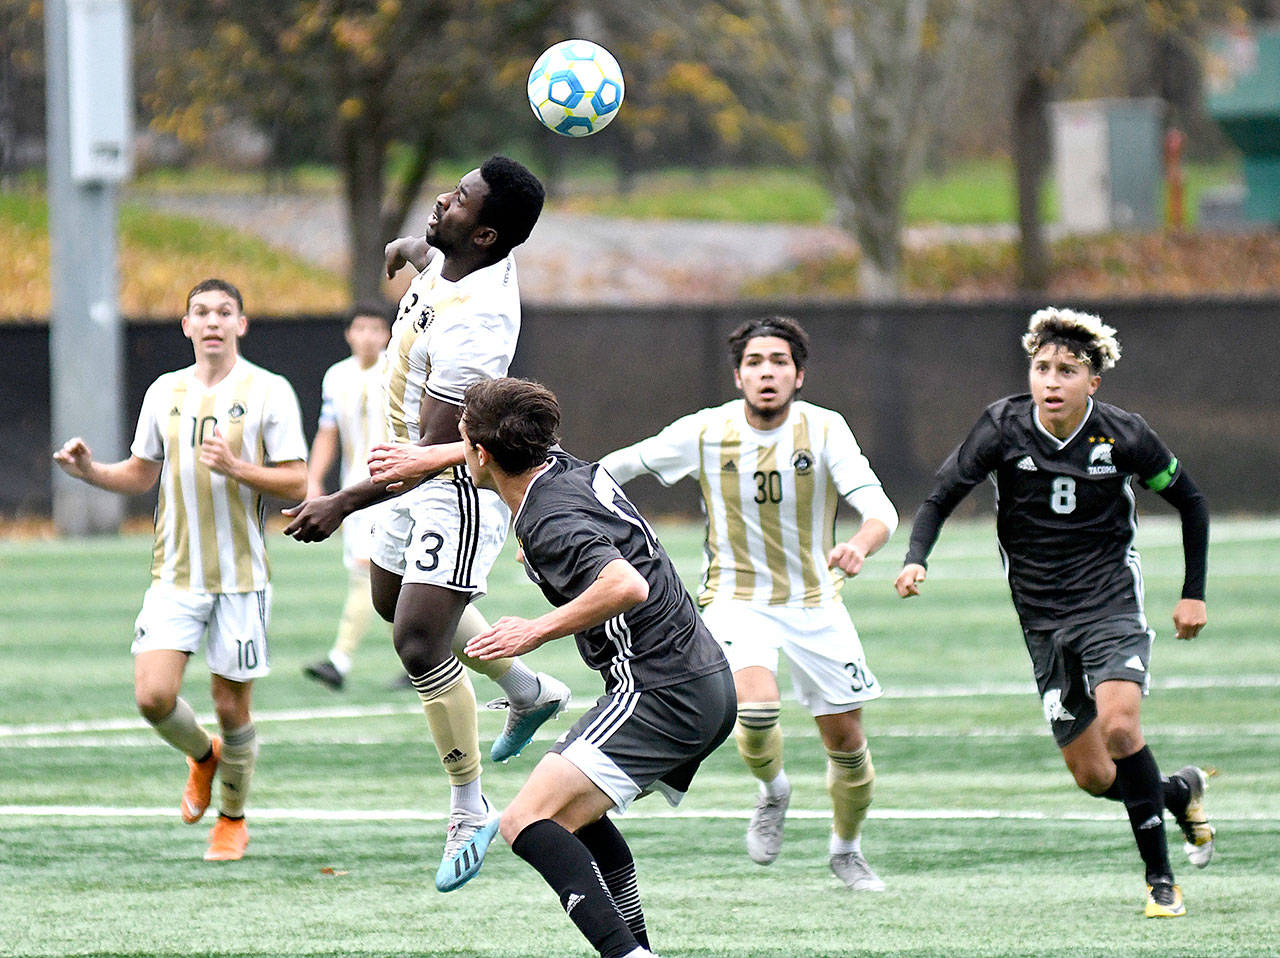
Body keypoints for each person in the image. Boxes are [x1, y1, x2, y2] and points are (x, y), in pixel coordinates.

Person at [283, 156, 571, 892]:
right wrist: (407, 248)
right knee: (392, 603)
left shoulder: (478, 323)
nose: (444, 198)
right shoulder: (459, 254)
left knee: (416, 640)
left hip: (455, 485)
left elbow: (430, 457)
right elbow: (430, 252)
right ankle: (529, 690)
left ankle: (469, 806)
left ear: (486, 235)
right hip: (406, 470)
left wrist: (339, 503)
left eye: (461, 198)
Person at [893, 307, 1214, 919]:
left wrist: (1192, 592)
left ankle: (1161, 881)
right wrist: (916, 559)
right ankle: (1177, 792)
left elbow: (1191, 502)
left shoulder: (1124, 435)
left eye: (1068, 370)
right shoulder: (1002, 427)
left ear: (1093, 382)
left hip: (1109, 602)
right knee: (1094, 776)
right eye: (1042, 368)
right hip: (1040, 617)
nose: (1052, 381)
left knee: (1120, 728)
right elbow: (940, 496)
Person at [598, 315, 899, 891]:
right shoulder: (707, 431)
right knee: (755, 710)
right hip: (735, 599)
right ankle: (773, 790)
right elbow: (618, 466)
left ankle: (847, 849)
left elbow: (879, 509)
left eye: (779, 362)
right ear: (738, 376)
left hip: (816, 603)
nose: (767, 372)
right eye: (755, 362)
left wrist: (860, 545)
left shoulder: (825, 429)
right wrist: (568, 514)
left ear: (799, 375)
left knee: (847, 745)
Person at [458, 377, 735, 958]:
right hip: (701, 677)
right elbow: (492, 457)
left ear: (481, 454)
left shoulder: (549, 521)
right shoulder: (561, 467)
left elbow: (625, 584)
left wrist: (534, 630)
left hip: (660, 690)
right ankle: (638, 948)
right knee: (574, 817)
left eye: (463, 441)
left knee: (525, 821)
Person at [53, 278, 308, 862]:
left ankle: (232, 820)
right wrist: (91, 471)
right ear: (187, 325)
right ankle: (202, 755)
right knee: (153, 697)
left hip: (241, 579)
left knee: (231, 708)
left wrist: (237, 468)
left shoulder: (269, 390)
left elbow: (297, 481)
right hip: (173, 574)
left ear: (241, 324)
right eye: (202, 312)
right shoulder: (164, 390)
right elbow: (141, 473)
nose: (213, 321)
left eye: (224, 311)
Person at [301, 303, 393, 691]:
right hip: (354, 490)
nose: (368, 336)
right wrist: (313, 479)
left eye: (376, 328)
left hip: (394, 487)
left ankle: (339, 661)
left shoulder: (398, 369)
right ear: (349, 334)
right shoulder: (336, 376)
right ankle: (424, 655)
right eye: (361, 328)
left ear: (387, 334)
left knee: (366, 571)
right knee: (386, 576)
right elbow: (328, 432)